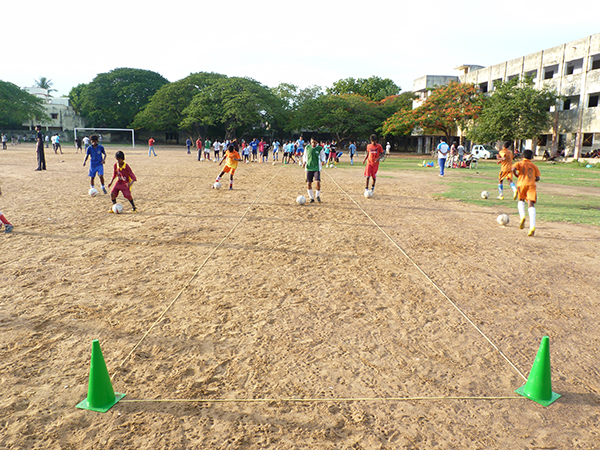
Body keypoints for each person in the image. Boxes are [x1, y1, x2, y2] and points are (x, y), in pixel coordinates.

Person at [512, 149, 540, 237]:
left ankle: (522, 216)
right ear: (531, 157)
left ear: (522, 156)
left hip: (521, 184)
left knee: (521, 200)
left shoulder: (519, 163)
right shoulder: (534, 166)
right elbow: (538, 178)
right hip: (531, 185)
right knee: (531, 204)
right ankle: (532, 226)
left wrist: (516, 175)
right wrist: (533, 179)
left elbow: (513, 169)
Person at [303, 137, 326, 203]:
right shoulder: (307, 147)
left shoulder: (320, 148)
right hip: (309, 167)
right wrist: (304, 162)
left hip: (316, 168)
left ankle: (317, 196)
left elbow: (323, 156)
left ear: (317, 142)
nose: (313, 144)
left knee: (317, 182)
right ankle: (311, 198)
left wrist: (323, 161)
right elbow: (305, 156)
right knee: (308, 183)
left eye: (315, 143)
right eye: (312, 142)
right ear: (310, 142)